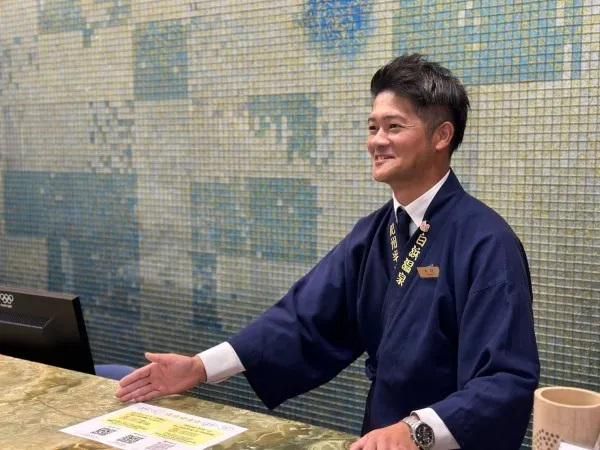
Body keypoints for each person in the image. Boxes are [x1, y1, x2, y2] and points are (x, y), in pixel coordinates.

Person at [117, 54, 540, 450]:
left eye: (393, 127)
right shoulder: (376, 232)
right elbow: (302, 317)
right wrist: (200, 367)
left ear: (441, 136)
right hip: (378, 435)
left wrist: (417, 431)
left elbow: (505, 379)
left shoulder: (487, 243)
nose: (377, 141)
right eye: (372, 128)